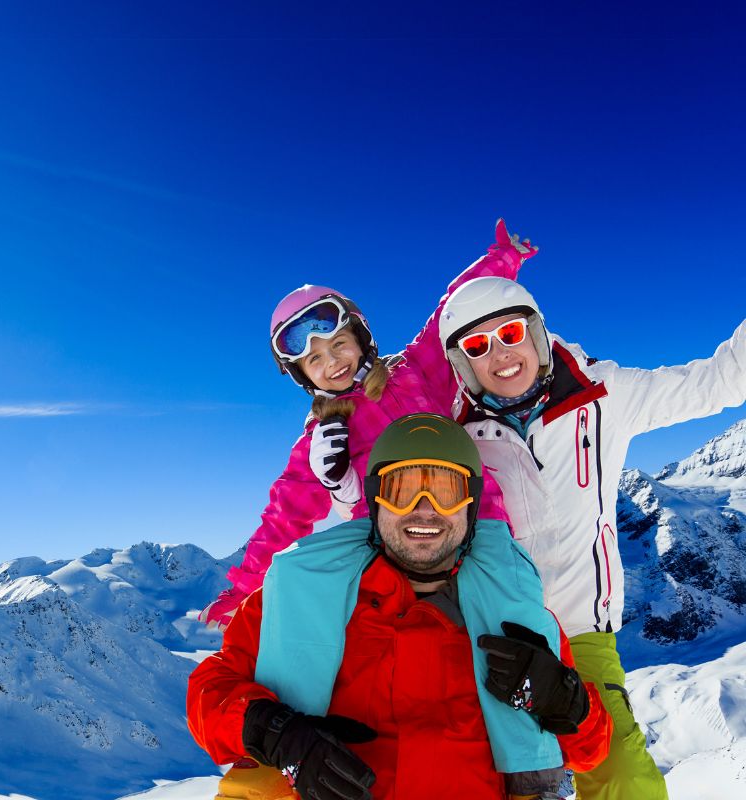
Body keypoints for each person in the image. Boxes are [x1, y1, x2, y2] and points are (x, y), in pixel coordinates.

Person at [188, 414, 611, 800]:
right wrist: (274, 731)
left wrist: (566, 700)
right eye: (401, 490)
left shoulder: (515, 615)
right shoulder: (301, 597)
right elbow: (208, 693)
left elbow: (591, 751)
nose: (424, 509)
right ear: (374, 502)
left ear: (470, 504)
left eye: (446, 491)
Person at [437, 273, 746, 800]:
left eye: (510, 334)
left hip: (580, 630)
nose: (499, 355)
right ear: (463, 366)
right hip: (492, 636)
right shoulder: (456, 434)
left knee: (622, 776)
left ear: (535, 334)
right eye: (476, 346)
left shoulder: (603, 396)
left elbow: (717, 381)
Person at [199, 221, 536, 629]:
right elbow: (284, 515)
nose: (333, 362)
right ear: (303, 375)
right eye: (316, 359)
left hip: (476, 520)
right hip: (395, 550)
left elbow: (452, 309)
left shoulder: (415, 371)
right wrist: (243, 589)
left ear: (361, 339)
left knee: (510, 616)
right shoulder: (324, 437)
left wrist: (504, 258)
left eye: (338, 344)